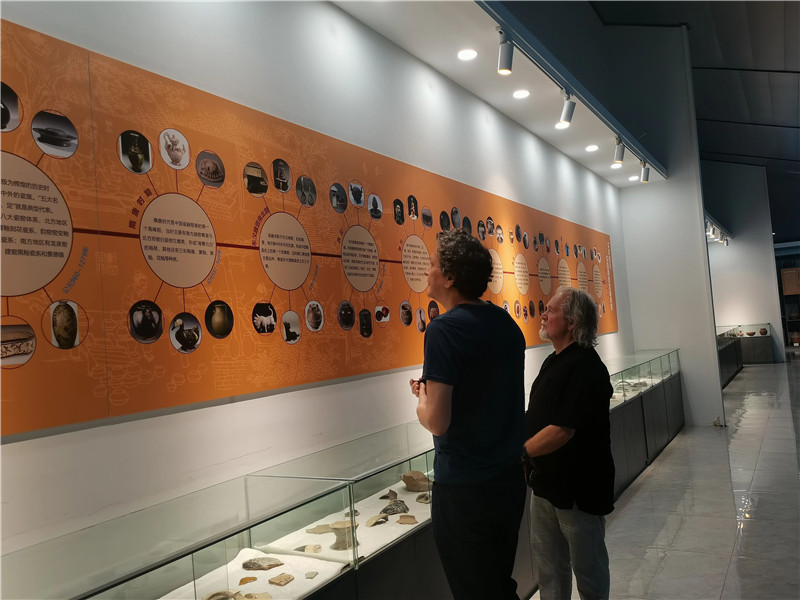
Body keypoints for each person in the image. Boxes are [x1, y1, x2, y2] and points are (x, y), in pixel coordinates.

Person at [409, 228, 526, 600]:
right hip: (508, 482)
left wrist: (421, 401)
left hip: (465, 489)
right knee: (497, 584)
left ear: (449, 277)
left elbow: (437, 421)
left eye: (431, 265)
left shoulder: (443, 330)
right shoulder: (507, 326)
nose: (426, 271)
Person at [523, 286, 614, 600]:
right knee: (549, 572)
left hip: (579, 490)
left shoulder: (586, 367)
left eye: (550, 310)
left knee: (588, 573)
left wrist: (519, 452)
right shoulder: (555, 360)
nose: (543, 315)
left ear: (572, 322)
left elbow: (563, 430)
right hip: (546, 485)